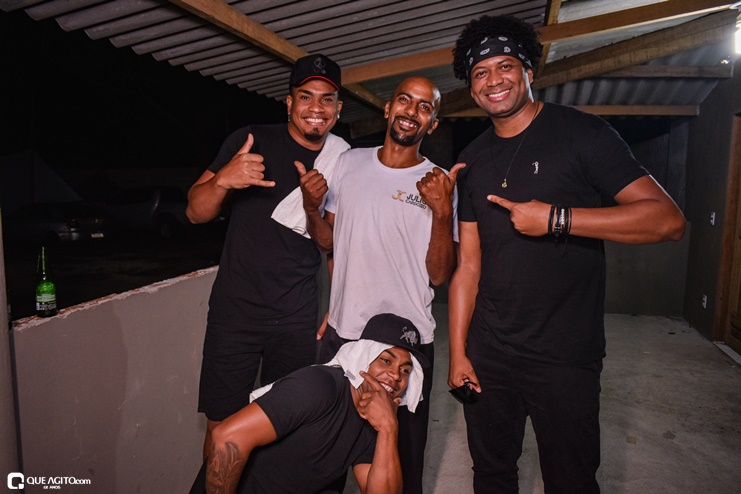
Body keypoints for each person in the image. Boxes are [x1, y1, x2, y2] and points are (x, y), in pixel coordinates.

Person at [447, 15, 686, 494]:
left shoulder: (583, 133)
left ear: (529, 71)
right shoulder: (471, 160)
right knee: (491, 474)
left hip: (564, 355)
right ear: (471, 88)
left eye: (505, 66)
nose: (493, 80)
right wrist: (458, 353)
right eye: (480, 72)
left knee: (571, 479)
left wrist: (557, 218)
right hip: (489, 350)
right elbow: (468, 266)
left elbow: (667, 220)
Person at [298, 76, 462, 494]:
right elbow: (328, 242)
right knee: (324, 456)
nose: (411, 111)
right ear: (388, 109)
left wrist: (442, 213)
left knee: (399, 463)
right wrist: (312, 208)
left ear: (433, 123)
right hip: (345, 333)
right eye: (404, 100)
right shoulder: (349, 163)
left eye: (424, 106)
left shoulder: (440, 182)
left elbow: (440, 274)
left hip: (405, 342)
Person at [186, 54, 349, 460]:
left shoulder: (343, 162)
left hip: (296, 317)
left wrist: (339, 301)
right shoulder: (250, 140)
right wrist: (224, 181)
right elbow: (194, 212)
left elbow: (332, 244)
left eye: (326, 99)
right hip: (235, 313)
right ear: (289, 103)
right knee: (222, 425)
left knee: (287, 424)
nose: (316, 107)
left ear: (338, 108)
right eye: (306, 96)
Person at [189, 313, 428, 494]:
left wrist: (388, 429)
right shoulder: (319, 386)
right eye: (385, 360)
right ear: (362, 358)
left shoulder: (378, 417)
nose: (396, 376)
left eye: (405, 370)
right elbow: (227, 437)